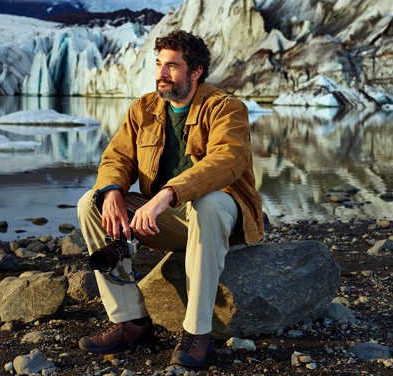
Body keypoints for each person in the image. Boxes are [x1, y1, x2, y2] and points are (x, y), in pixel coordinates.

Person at [74, 30, 263, 367]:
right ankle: (131, 322)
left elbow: (226, 160)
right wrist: (114, 191)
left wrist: (168, 193)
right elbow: (116, 159)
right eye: (159, 64)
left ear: (196, 71)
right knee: (91, 202)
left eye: (172, 66)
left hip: (221, 218)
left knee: (207, 203)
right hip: (170, 221)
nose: (161, 73)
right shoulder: (143, 109)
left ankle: (197, 333)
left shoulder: (226, 108)